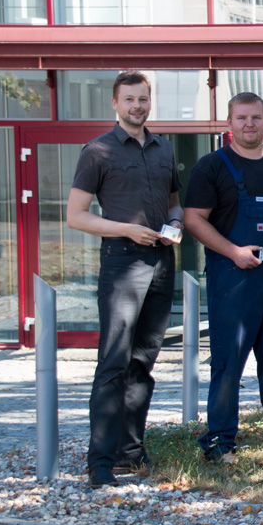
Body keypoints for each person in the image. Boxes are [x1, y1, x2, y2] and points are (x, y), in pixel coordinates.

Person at [67, 71, 182, 488]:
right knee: (114, 362)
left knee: (144, 362)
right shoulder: (97, 151)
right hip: (122, 262)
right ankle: (99, 461)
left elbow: (174, 203)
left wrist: (175, 223)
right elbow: (75, 216)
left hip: (161, 262)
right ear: (115, 104)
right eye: (129, 99)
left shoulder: (163, 148)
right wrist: (126, 230)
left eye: (143, 98)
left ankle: (130, 452)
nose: (137, 106)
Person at [184, 92, 263, 460]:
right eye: (241, 118)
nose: (249, 124)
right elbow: (193, 219)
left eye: (255, 117)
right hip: (233, 280)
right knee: (228, 363)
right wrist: (233, 252)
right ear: (230, 124)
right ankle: (220, 441)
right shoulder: (212, 166)